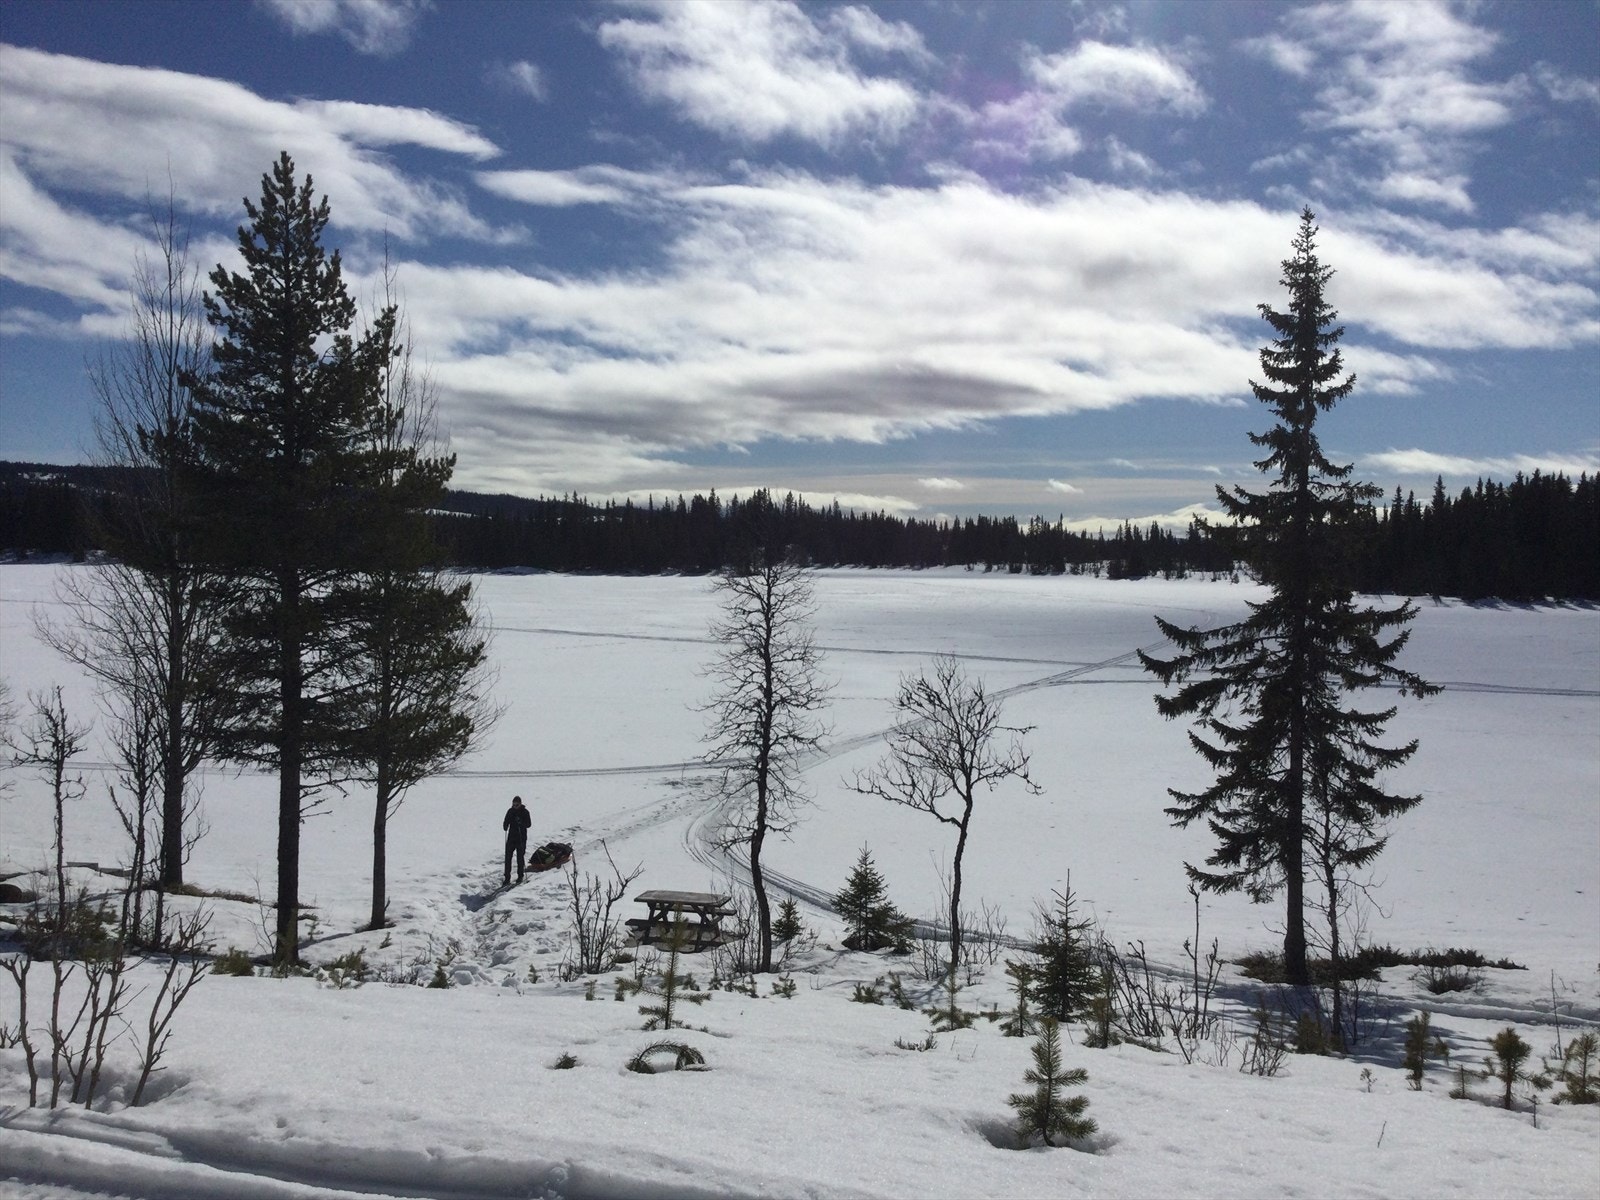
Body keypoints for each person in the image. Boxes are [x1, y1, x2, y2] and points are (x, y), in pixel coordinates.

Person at [502, 795, 532, 884]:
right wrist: (505, 825)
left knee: (520, 857)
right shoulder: (510, 811)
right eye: (513, 804)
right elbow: (506, 820)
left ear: (520, 804)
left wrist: (521, 822)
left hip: (521, 838)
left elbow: (529, 824)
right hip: (511, 837)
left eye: (517, 805)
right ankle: (507, 878)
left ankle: (520, 876)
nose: (515, 806)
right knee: (508, 858)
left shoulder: (525, 812)